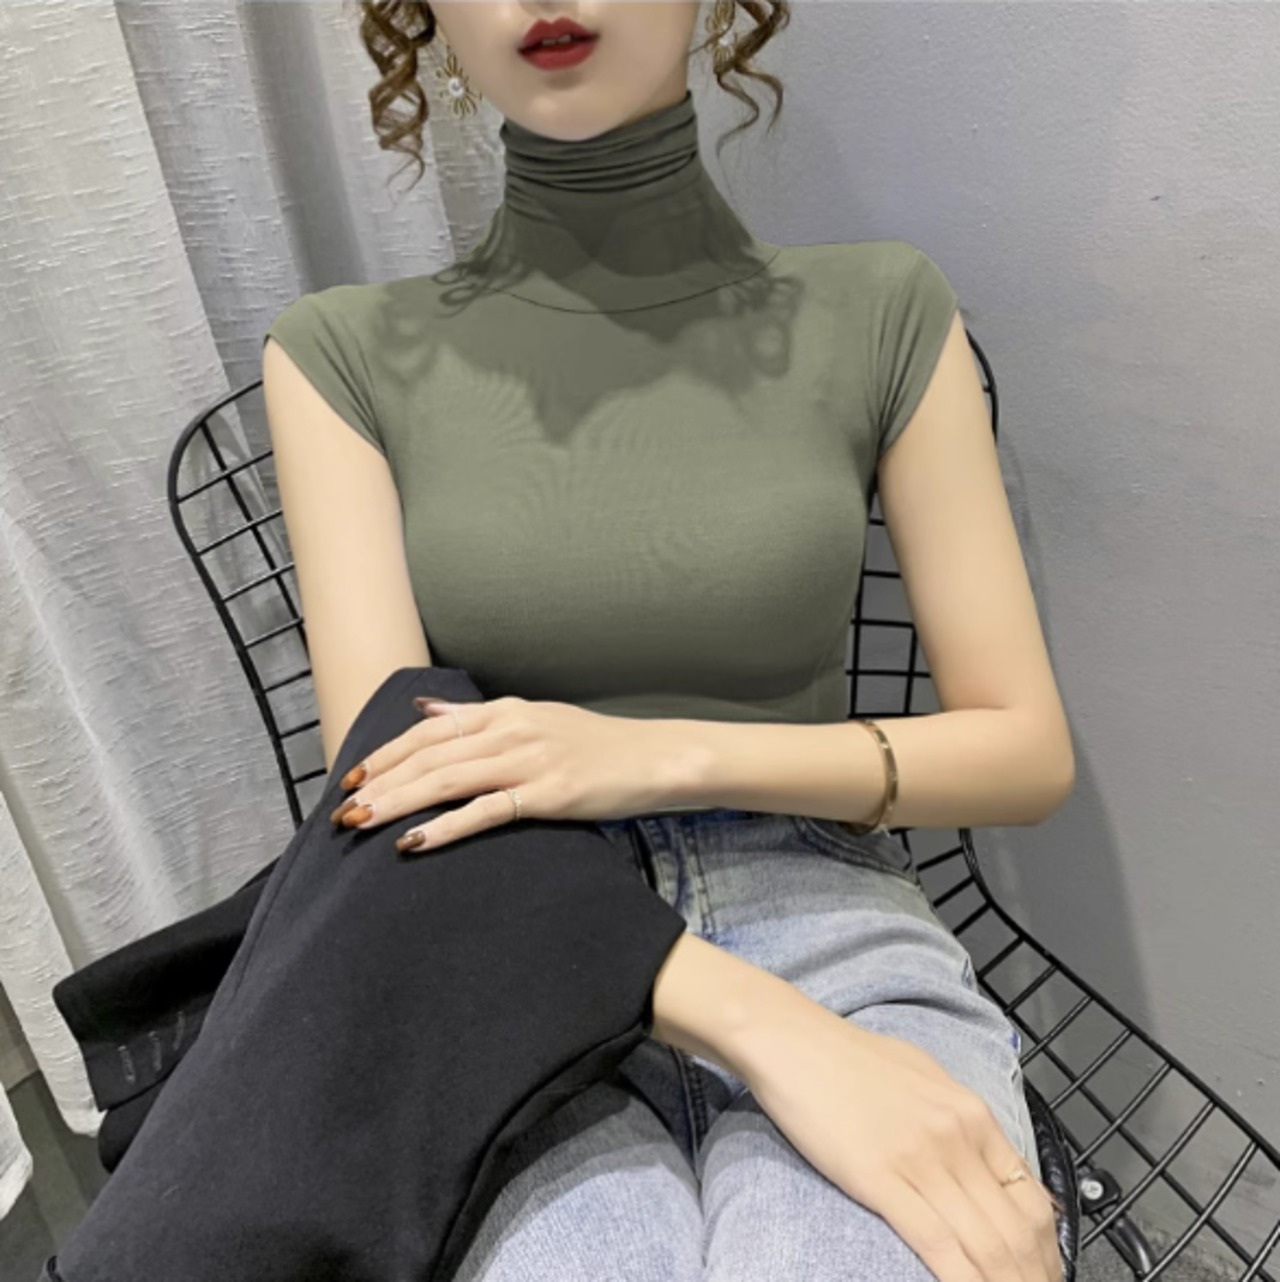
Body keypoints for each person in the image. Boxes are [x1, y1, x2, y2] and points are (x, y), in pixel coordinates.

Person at [260, 3, 1076, 1280]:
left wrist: (655, 756)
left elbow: (1021, 753)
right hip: (508, 944)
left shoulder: (881, 309)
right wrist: (776, 1035)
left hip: (827, 915)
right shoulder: (341, 355)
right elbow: (390, 791)